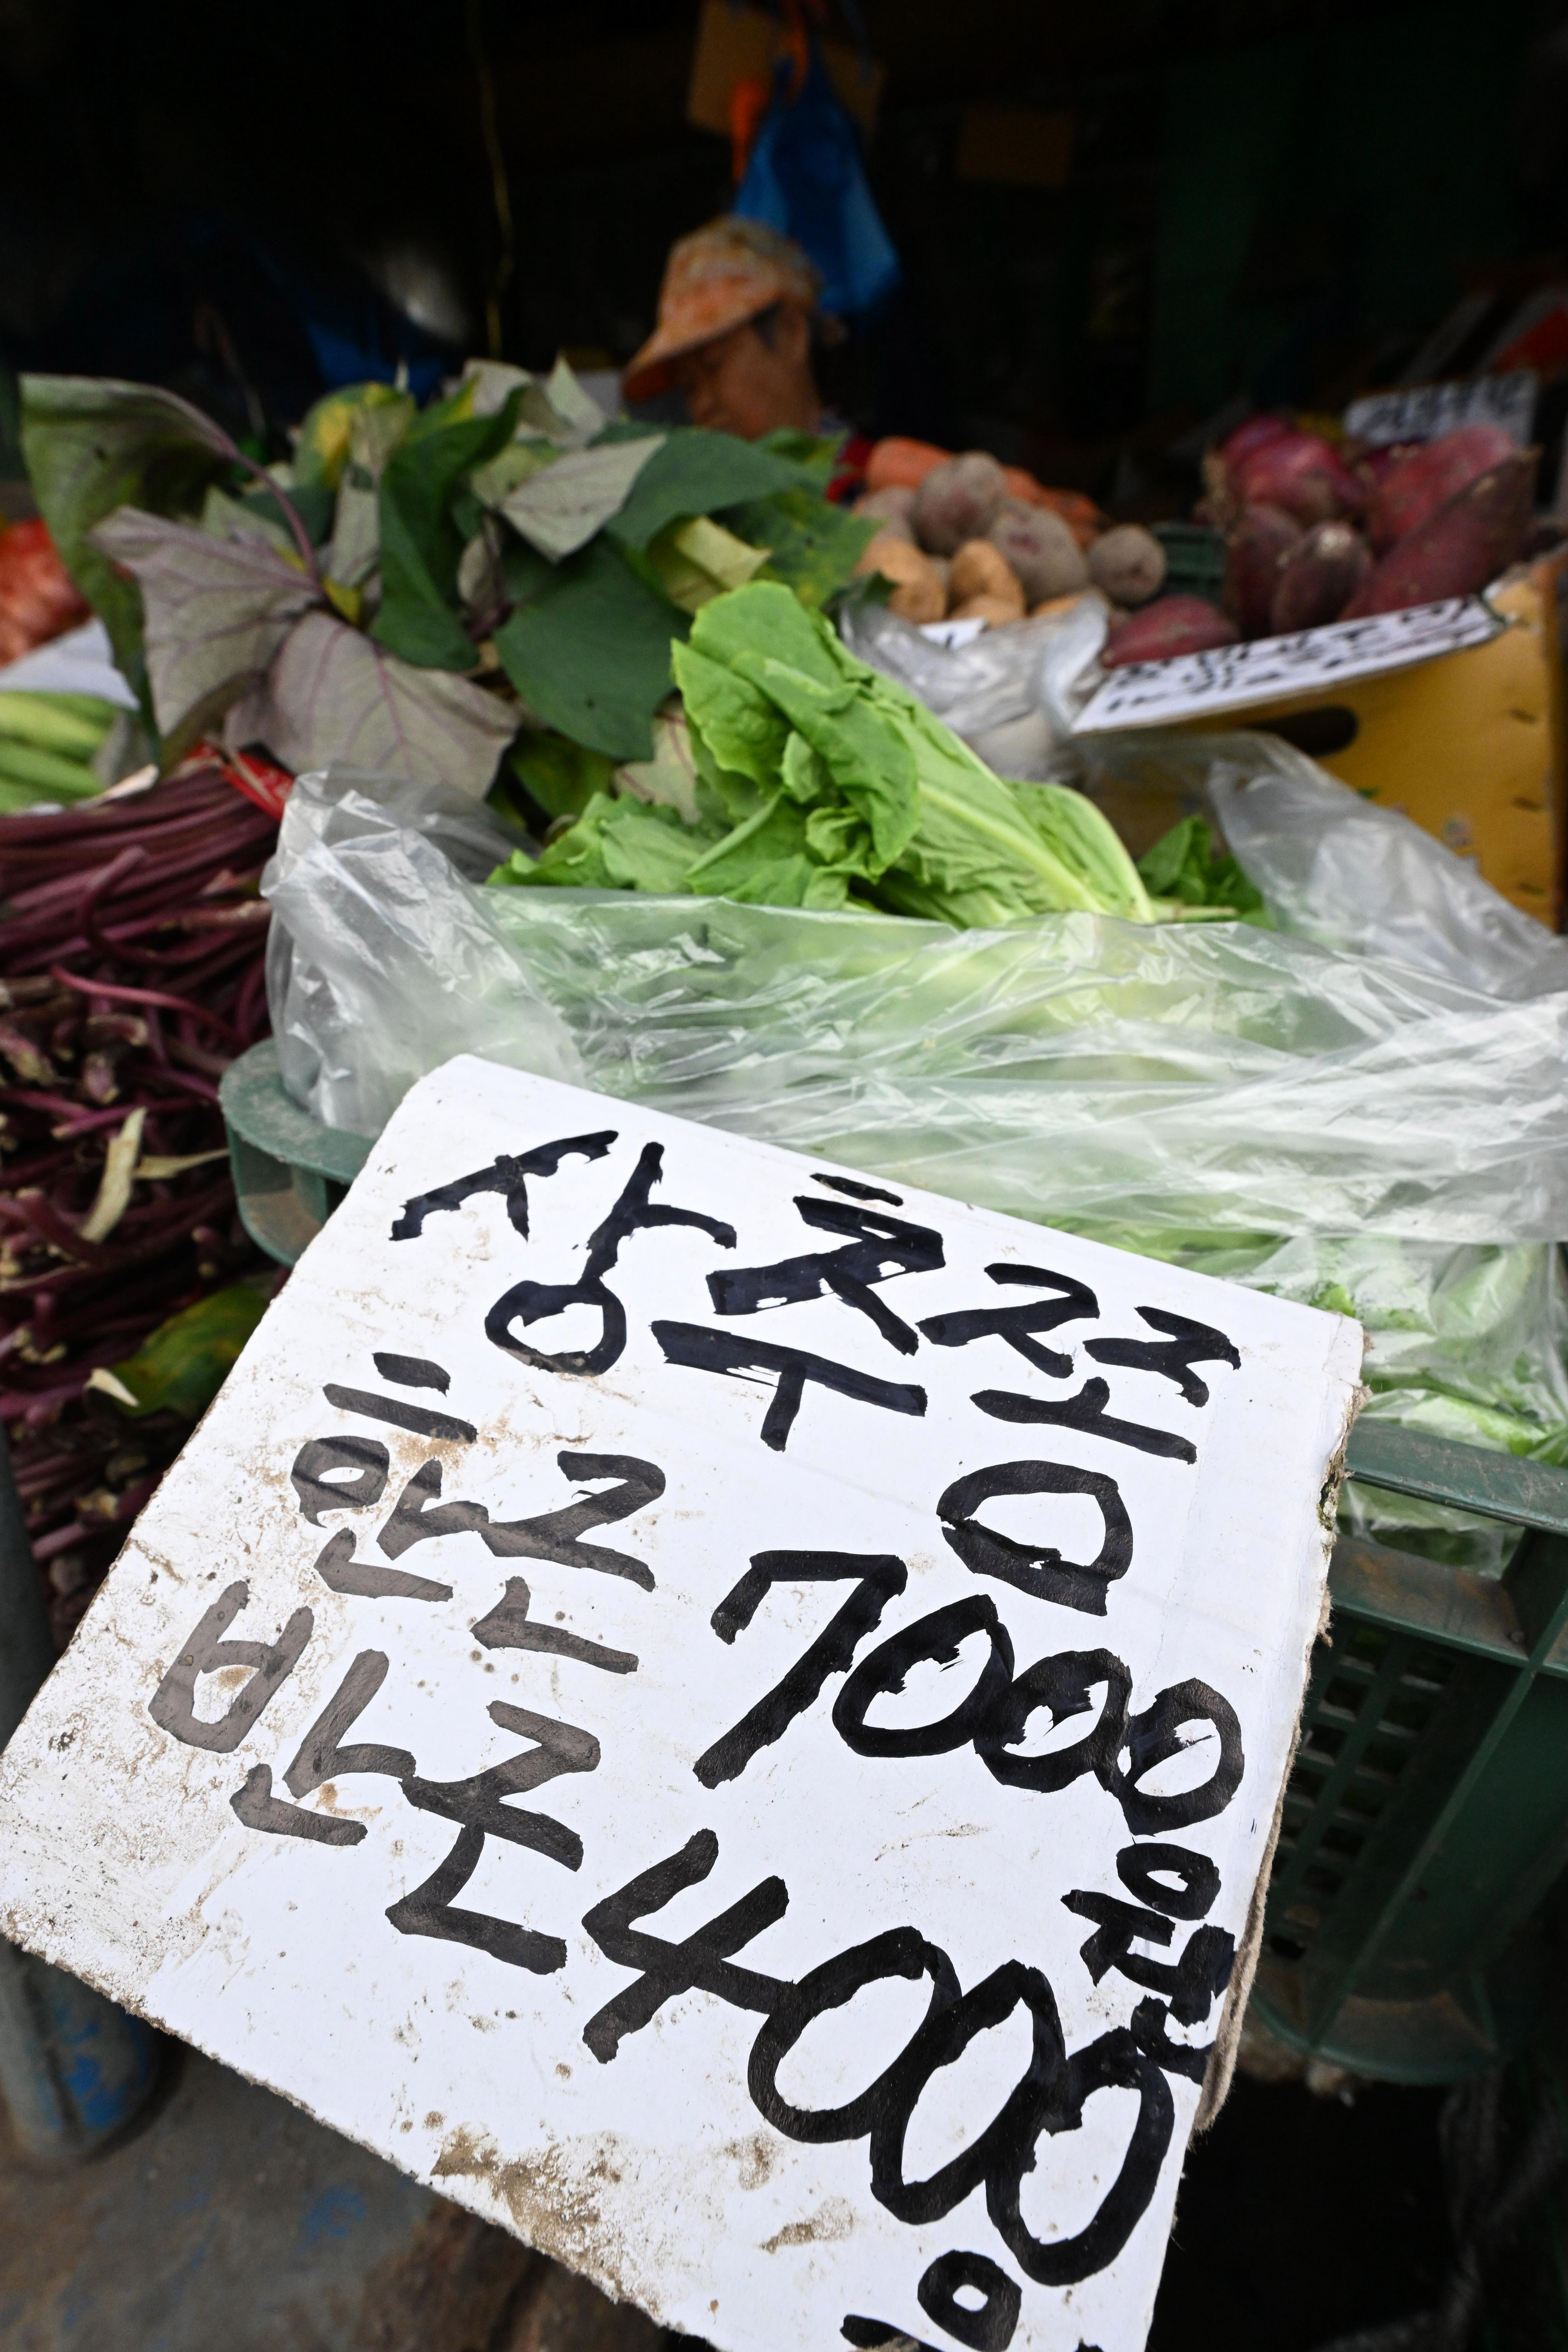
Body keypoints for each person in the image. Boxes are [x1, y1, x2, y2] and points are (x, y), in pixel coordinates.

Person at [622, 216, 840, 443]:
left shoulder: (868, 474)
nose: (703, 405)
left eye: (714, 364)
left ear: (790, 333)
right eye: (690, 387)